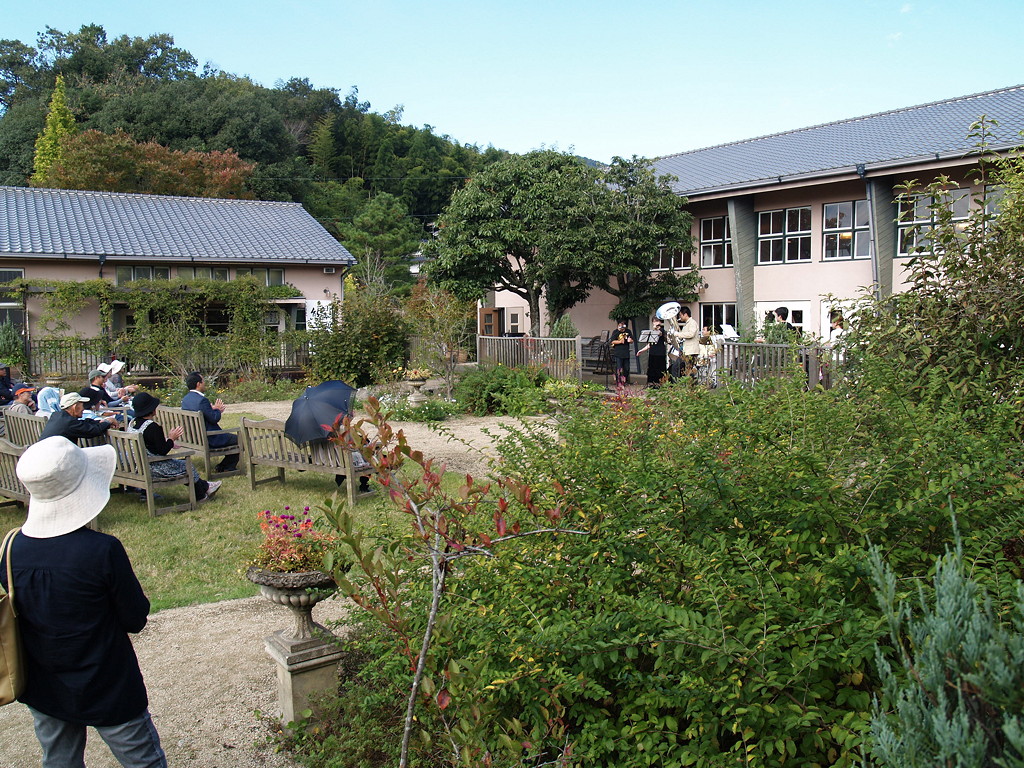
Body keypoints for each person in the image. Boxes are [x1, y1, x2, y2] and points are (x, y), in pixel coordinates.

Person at [0, 437, 167, 767]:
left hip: (44, 685)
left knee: (59, 761)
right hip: (107, 684)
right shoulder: (101, 550)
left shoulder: (9, 548)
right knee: (143, 762)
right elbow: (135, 618)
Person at [127, 392, 221, 503]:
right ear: (151, 409)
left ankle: (206, 486)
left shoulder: (133, 423)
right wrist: (172, 438)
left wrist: (167, 440)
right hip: (152, 467)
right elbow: (163, 451)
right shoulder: (152, 427)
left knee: (181, 465)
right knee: (188, 466)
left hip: (138, 466)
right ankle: (201, 495)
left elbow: (151, 445)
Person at [181, 371, 239, 472]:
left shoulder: (186, 399)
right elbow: (214, 418)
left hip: (193, 438)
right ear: (198, 384)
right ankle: (226, 467)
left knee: (233, 439)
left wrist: (210, 408)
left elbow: (202, 411)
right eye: (203, 381)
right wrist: (218, 410)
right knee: (240, 439)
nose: (205, 383)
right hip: (209, 438)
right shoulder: (202, 400)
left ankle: (224, 466)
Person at [39, 392, 117, 442]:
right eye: (82, 405)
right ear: (75, 407)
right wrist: (108, 422)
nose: (83, 408)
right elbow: (93, 431)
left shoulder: (57, 415)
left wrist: (100, 422)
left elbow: (82, 423)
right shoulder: (69, 422)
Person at [636, 318, 668, 386]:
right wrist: (641, 350)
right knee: (651, 370)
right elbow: (650, 344)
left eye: (656, 321)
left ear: (659, 322)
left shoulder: (662, 330)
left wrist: (656, 328)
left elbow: (660, 334)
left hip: (660, 353)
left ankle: (660, 384)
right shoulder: (652, 332)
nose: (655, 322)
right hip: (652, 353)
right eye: (653, 321)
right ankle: (652, 384)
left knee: (660, 370)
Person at [677, 306, 700, 380]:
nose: (680, 317)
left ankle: (690, 388)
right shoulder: (687, 324)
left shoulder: (692, 323)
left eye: (680, 315)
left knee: (689, 370)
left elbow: (691, 334)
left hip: (691, 351)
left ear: (685, 314)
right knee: (687, 370)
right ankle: (688, 386)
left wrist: (677, 334)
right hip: (687, 350)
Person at [608, 320, 634, 385]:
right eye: (620, 325)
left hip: (626, 352)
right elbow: (612, 341)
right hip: (618, 352)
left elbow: (632, 340)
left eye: (623, 325)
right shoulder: (616, 332)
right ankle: (618, 382)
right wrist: (620, 342)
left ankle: (625, 381)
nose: (621, 327)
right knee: (619, 368)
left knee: (626, 368)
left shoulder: (628, 331)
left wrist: (630, 341)